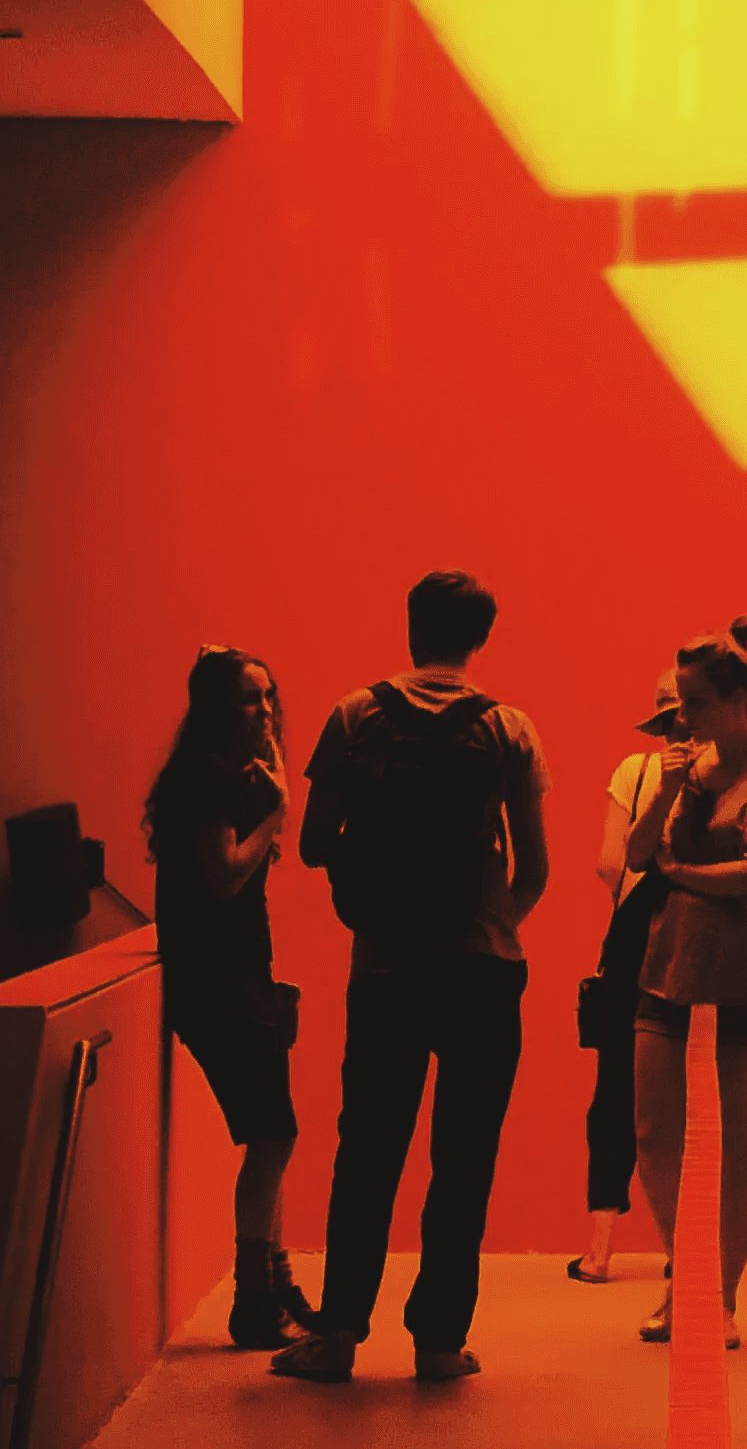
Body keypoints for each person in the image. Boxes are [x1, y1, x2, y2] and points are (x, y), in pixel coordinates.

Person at [274, 571, 550, 1383]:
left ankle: (337, 1334)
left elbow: (314, 841)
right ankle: (438, 1341)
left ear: (411, 626)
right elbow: (535, 866)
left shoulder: (355, 714)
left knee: (367, 1151)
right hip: (484, 971)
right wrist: (488, 923)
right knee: (464, 1159)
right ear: (480, 637)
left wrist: (380, 894)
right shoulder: (508, 726)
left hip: (386, 967)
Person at [624, 617, 747, 1351]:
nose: (684, 716)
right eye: (680, 701)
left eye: (696, 701)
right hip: (672, 963)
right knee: (652, 1132)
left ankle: (719, 1295)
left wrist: (683, 873)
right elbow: (638, 854)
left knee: (734, 1140)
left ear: (736, 702)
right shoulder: (683, 772)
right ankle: (686, 1271)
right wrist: (667, 789)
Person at [145, 646, 321, 1348]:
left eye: (270, 695)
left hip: (238, 976)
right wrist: (276, 813)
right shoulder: (208, 776)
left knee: (273, 1134)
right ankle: (255, 1301)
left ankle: (275, 1283)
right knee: (273, 1136)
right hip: (218, 981)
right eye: (252, 697)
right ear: (220, 706)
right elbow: (222, 876)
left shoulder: (220, 774)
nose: (268, 710)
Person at [568, 671, 686, 1286]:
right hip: (697, 943)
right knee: (697, 1096)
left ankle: (600, 1248)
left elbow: (609, 864)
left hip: (633, 941)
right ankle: (686, 1248)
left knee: (615, 1088)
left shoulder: (636, 772)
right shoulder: (736, 775)